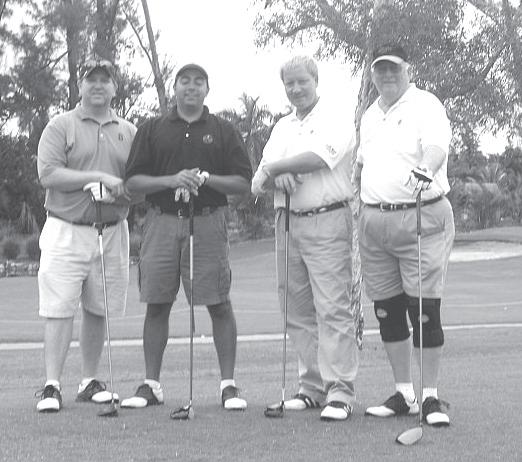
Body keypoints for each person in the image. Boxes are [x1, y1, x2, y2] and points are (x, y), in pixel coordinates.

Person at [121, 63, 252, 411]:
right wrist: (172, 180)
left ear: (207, 89)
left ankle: (228, 386)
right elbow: (133, 182)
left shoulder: (223, 130)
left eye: (198, 82)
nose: (191, 87)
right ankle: (151, 385)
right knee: (157, 303)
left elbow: (243, 182)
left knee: (218, 303)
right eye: (185, 81)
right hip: (161, 222)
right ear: (175, 87)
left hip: (207, 221)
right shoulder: (152, 129)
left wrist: (205, 179)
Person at [251, 56, 359, 421]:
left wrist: (277, 167)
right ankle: (311, 387)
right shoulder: (282, 127)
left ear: (315, 80)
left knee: (332, 307)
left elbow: (317, 159)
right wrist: (275, 174)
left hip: (327, 219)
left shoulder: (336, 117)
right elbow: (258, 181)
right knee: (296, 309)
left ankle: (339, 391)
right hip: (287, 221)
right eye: (289, 84)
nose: (296, 89)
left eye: (302, 82)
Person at [354, 43, 454, 426]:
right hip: (374, 222)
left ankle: (430, 397)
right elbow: (362, 163)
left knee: (423, 310)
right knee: (387, 311)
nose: (387, 75)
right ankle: (405, 394)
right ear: (372, 73)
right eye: (380, 69)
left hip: (420, 216)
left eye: (393, 68)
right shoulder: (369, 115)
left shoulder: (425, 105)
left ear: (407, 69)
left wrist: (425, 168)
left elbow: (436, 147)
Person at [36, 58, 136, 412]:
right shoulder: (61, 125)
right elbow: (48, 174)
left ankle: (89, 380)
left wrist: (118, 193)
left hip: (112, 230)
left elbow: (137, 184)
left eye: (104, 80)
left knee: (98, 308)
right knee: (59, 307)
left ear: (114, 87)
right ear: (80, 86)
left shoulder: (129, 131)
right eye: (91, 79)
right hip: (66, 228)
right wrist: (97, 177)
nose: (97, 85)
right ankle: (52, 385)